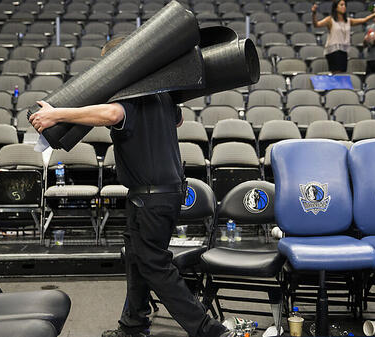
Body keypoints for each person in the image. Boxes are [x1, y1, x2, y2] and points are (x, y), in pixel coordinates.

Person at [29, 38, 233, 337]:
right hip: (153, 194)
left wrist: (57, 114)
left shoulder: (132, 93)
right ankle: (132, 325)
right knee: (137, 260)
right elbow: (177, 120)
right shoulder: (160, 92)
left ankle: (209, 331)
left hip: (153, 197)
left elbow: (111, 115)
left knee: (154, 265)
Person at [312, 0, 375, 73]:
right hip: (333, 51)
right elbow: (316, 25)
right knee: (336, 73)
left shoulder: (348, 21)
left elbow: (364, 20)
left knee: (342, 72)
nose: (344, 7)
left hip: (343, 51)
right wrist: (314, 13)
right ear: (336, 8)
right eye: (341, 5)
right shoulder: (330, 19)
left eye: (345, 5)